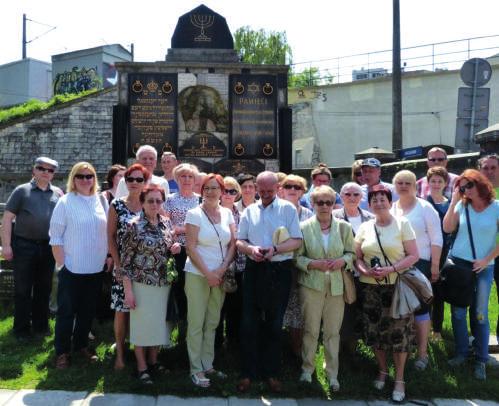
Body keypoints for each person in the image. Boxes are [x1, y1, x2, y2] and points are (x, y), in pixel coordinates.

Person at [236, 171, 303, 393]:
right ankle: (248, 373)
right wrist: (251, 249)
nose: (265, 195)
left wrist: (275, 249)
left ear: (277, 188)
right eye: (261, 191)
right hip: (254, 269)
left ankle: (272, 373)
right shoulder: (249, 210)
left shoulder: (287, 209)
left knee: (274, 324)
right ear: (256, 187)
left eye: (269, 191)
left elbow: (296, 241)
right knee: (249, 323)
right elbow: (239, 241)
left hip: (278, 269)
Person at [354, 184, 418, 403]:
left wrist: (391, 269)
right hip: (372, 288)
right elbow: (357, 257)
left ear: (390, 202)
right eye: (374, 200)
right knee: (375, 332)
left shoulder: (402, 224)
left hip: (398, 286)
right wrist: (365, 270)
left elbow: (413, 255)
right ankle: (382, 370)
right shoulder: (365, 227)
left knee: (400, 333)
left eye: (383, 199)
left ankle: (399, 379)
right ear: (369, 205)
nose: (379, 203)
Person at [49, 162, 108, 369]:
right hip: (71, 268)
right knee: (66, 312)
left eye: (89, 176)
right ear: (73, 179)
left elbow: (107, 232)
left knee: (87, 310)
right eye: (81, 176)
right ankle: (62, 352)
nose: (85, 180)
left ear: (94, 178)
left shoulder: (101, 200)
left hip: (95, 267)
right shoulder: (65, 202)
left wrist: (108, 256)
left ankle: (81, 345)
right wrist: (62, 264)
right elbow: (55, 237)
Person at [296, 185, 355, 392]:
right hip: (311, 284)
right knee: (311, 329)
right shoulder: (303, 227)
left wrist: (342, 261)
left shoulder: (344, 227)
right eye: (319, 202)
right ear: (312, 204)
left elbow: (352, 254)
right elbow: (297, 257)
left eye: (328, 202)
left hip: (337, 287)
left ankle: (332, 374)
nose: (324, 206)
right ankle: (307, 369)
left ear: (333, 204)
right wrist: (312, 264)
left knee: (332, 332)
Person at [121, 184, 181, 384]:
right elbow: (125, 262)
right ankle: (141, 367)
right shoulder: (133, 225)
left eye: (158, 200)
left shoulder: (165, 223)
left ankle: (154, 361)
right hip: (141, 284)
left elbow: (168, 246)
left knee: (158, 326)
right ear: (142, 203)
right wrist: (128, 291)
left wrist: (175, 247)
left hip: (163, 284)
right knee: (141, 326)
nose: (155, 204)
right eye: (151, 201)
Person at [443, 169, 499, 381]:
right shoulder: (462, 204)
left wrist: (486, 259)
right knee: (458, 312)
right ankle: (461, 353)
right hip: (459, 263)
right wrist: (454, 200)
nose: (465, 190)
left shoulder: (496, 208)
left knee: (480, 313)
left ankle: (481, 360)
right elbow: (448, 228)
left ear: (481, 184)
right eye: (461, 186)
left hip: (484, 266)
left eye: (469, 185)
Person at [1, 157, 62, 340]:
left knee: (44, 288)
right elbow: (6, 219)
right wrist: (6, 245)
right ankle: (20, 330)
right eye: (41, 168)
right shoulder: (22, 191)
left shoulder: (58, 194)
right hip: (24, 245)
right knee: (23, 289)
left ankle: (40, 327)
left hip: (47, 246)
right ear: (33, 170)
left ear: (53, 174)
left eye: (50, 170)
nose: (45, 172)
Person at [184, 174, 236, 387]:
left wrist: (222, 269)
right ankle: (195, 369)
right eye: (207, 188)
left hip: (220, 274)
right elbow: (190, 247)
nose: (210, 192)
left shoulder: (227, 213)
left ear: (222, 191)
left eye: (215, 188)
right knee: (196, 322)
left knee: (213, 322)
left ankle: (208, 364)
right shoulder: (194, 214)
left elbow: (233, 243)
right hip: (198, 274)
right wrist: (208, 273)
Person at [391, 170, 442, 371]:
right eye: (400, 182)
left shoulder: (425, 208)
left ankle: (422, 354)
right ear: (395, 186)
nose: (403, 186)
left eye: (408, 183)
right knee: (402, 307)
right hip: (396, 264)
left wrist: (435, 265)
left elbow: (437, 238)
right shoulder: (392, 208)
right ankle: (404, 348)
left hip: (421, 264)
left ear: (415, 186)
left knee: (421, 309)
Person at [107, 163, 150, 370]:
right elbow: (110, 236)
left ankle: (142, 352)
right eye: (130, 179)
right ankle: (121, 355)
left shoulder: (151, 203)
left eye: (139, 179)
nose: (134, 183)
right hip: (124, 265)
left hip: (146, 267)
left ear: (145, 182)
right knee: (122, 310)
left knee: (141, 309)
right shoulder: (116, 204)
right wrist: (117, 264)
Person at [332, 182, 374, 353]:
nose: (352, 197)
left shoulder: (371, 218)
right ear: (341, 196)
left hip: (366, 273)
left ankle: (354, 348)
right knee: (343, 312)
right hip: (343, 271)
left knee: (361, 309)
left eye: (356, 194)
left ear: (361, 197)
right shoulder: (333, 216)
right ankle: (338, 350)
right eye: (347, 194)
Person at [164, 163, 200, 334]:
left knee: (193, 289)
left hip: (197, 250)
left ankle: (193, 323)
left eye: (190, 176)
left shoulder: (200, 200)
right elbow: (165, 224)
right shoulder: (170, 199)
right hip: (177, 250)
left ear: (195, 180)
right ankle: (179, 323)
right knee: (178, 289)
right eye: (183, 176)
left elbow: (204, 226)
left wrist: (181, 229)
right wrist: (174, 236)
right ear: (177, 179)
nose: (186, 180)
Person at [281, 174, 313, 359]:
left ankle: (298, 350)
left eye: (297, 187)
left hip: (301, 268)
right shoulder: (277, 211)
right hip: (279, 266)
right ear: (282, 189)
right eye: (288, 186)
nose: (292, 190)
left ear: (302, 191)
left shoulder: (308, 214)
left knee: (298, 310)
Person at [216, 176, 245, 348]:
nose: (228, 194)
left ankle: (232, 341)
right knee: (217, 308)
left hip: (238, 267)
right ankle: (217, 343)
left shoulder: (243, 215)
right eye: (225, 190)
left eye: (232, 191)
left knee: (235, 307)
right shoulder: (211, 212)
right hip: (217, 267)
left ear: (237, 194)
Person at [424, 166, 451, 342]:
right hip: (427, 252)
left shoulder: (450, 203)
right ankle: (422, 329)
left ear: (445, 183)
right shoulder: (423, 203)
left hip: (445, 253)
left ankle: (437, 329)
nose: (436, 184)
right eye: (433, 181)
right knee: (425, 292)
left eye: (439, 181)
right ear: (428, 183)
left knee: (439, 292)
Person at [477, 154, 499, 343]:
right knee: (477, 302)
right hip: (481, 255)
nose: (490, 171)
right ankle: (478, 341)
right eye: (486, 168)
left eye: (493, 167)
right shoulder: (475, 193)